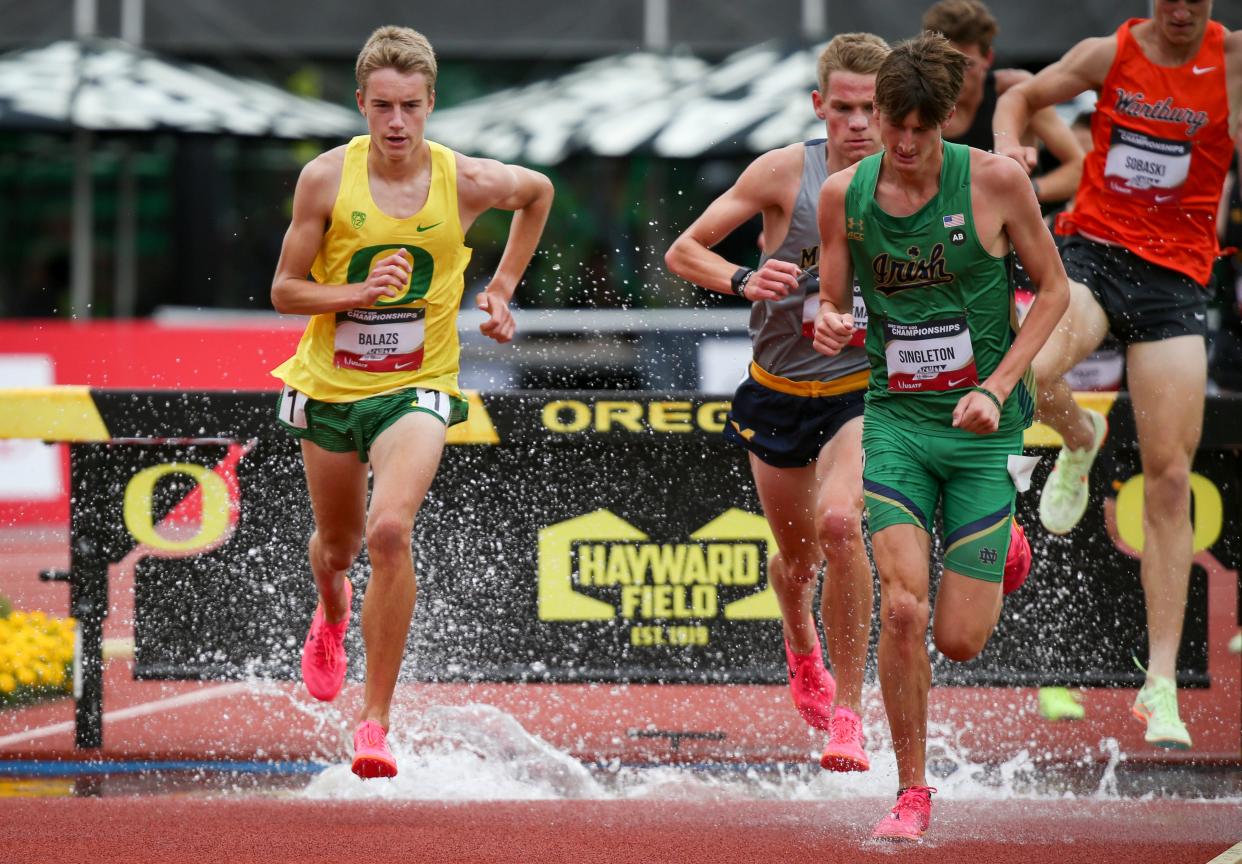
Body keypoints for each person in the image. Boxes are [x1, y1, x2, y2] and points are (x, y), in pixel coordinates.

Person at [269, 25, 553, 779]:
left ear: (432, 105)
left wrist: (500, 286)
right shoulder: (326, 180)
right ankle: (331, 614)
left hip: (419, 385)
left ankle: (374, 725)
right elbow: (284, 290)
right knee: (339, 549)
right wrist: (357, 293)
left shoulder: (464, 181)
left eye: (412, 107)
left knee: (389, 530)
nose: (396, 123)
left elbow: (539, 194)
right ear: (361, 104)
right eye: (383, 107)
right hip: (331, 388)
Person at [813, 32, 1069, 840]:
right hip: (895, 423)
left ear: (950, 118)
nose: (906, 142)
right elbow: (835, 303)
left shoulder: (993, 183)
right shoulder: (843, 196)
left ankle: (1003, 550)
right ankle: (912, 790)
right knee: (904, 612)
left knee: (958, 640)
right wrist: (827, 320)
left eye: (924, 126)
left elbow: (1055, 294)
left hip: (983, 428)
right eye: (894, 123)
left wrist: (997, 387)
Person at [994, 0, 1242, 751]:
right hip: (1096, 258)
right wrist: (1009, 152)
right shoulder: (1111, 54)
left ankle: (1159, 684)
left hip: (1174, 285)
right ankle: (1081, 433)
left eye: (1192, 3)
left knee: (1169, 477)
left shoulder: (1232, 63)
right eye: (1165, 0)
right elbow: (1020, 96)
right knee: (1028, 371)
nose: (1177, 12)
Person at [664, 32, 891, 774]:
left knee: (838, 523)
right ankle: (801, 646)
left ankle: (850, 716)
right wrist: (740, 279)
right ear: (821, 106)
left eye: (874, 110)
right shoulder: (783, 173)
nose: (860, 125)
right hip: (778, 391)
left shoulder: (913, 178)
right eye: (846, 109)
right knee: (796, 564)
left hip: (860, 391)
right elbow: (682, 251)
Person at [922, 0, 1084, 207]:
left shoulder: (1017, 92)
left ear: (988, 58)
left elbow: (1079, 169)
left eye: (967, 65)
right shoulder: (918, 99)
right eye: (946, 63)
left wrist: (1024, 189)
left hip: (1013, 227)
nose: (955, 75)